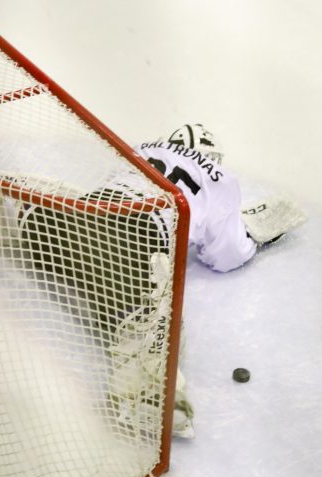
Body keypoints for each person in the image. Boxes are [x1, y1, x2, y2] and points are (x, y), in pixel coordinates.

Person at [20, 123, 304, 438]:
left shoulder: (144, 149)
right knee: (150, 322)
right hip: (132, 249)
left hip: (80, 218)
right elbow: (226, 255)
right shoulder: (219, 178)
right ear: (213, 157)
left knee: (30, 214)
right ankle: (146, 396)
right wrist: (251, 237)